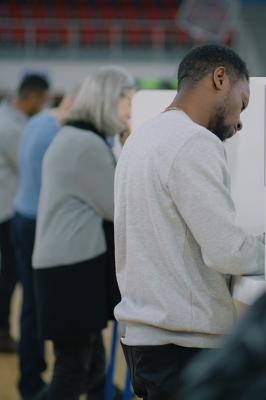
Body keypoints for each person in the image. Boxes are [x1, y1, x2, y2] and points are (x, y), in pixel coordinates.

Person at [114, 44, 265, 400]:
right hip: (182, 346)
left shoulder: (143, 137)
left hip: (147, 339)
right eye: (241, 103)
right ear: (220, 78)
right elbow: (228, 251)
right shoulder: (193, 140)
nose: (239, 121)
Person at [32, 66, 134, 400]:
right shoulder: (85, 144)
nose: (130, 108)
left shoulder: (75, 136)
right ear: (108, 99)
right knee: (72, 371)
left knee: (87, 366)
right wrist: (131, 149)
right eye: (126, 99)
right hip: (71, 269)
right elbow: (117, 207)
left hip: (66, 265)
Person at [12, 91, 76, 400]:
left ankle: (30, 380)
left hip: (22, 217)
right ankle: (35, 383)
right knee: (44, 308)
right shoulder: (60, 131)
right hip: (41, 223)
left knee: (31, 307)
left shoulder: (37, 121)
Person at [0, 74, 49, 353]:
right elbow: (28, 165)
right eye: (42, 101)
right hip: (8, 208)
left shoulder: (9, 118)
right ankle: (3, 331)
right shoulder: (11, 128)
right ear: (31, 97)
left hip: (9, 205)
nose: (42, 106)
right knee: (10, 275)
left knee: (10, 274)